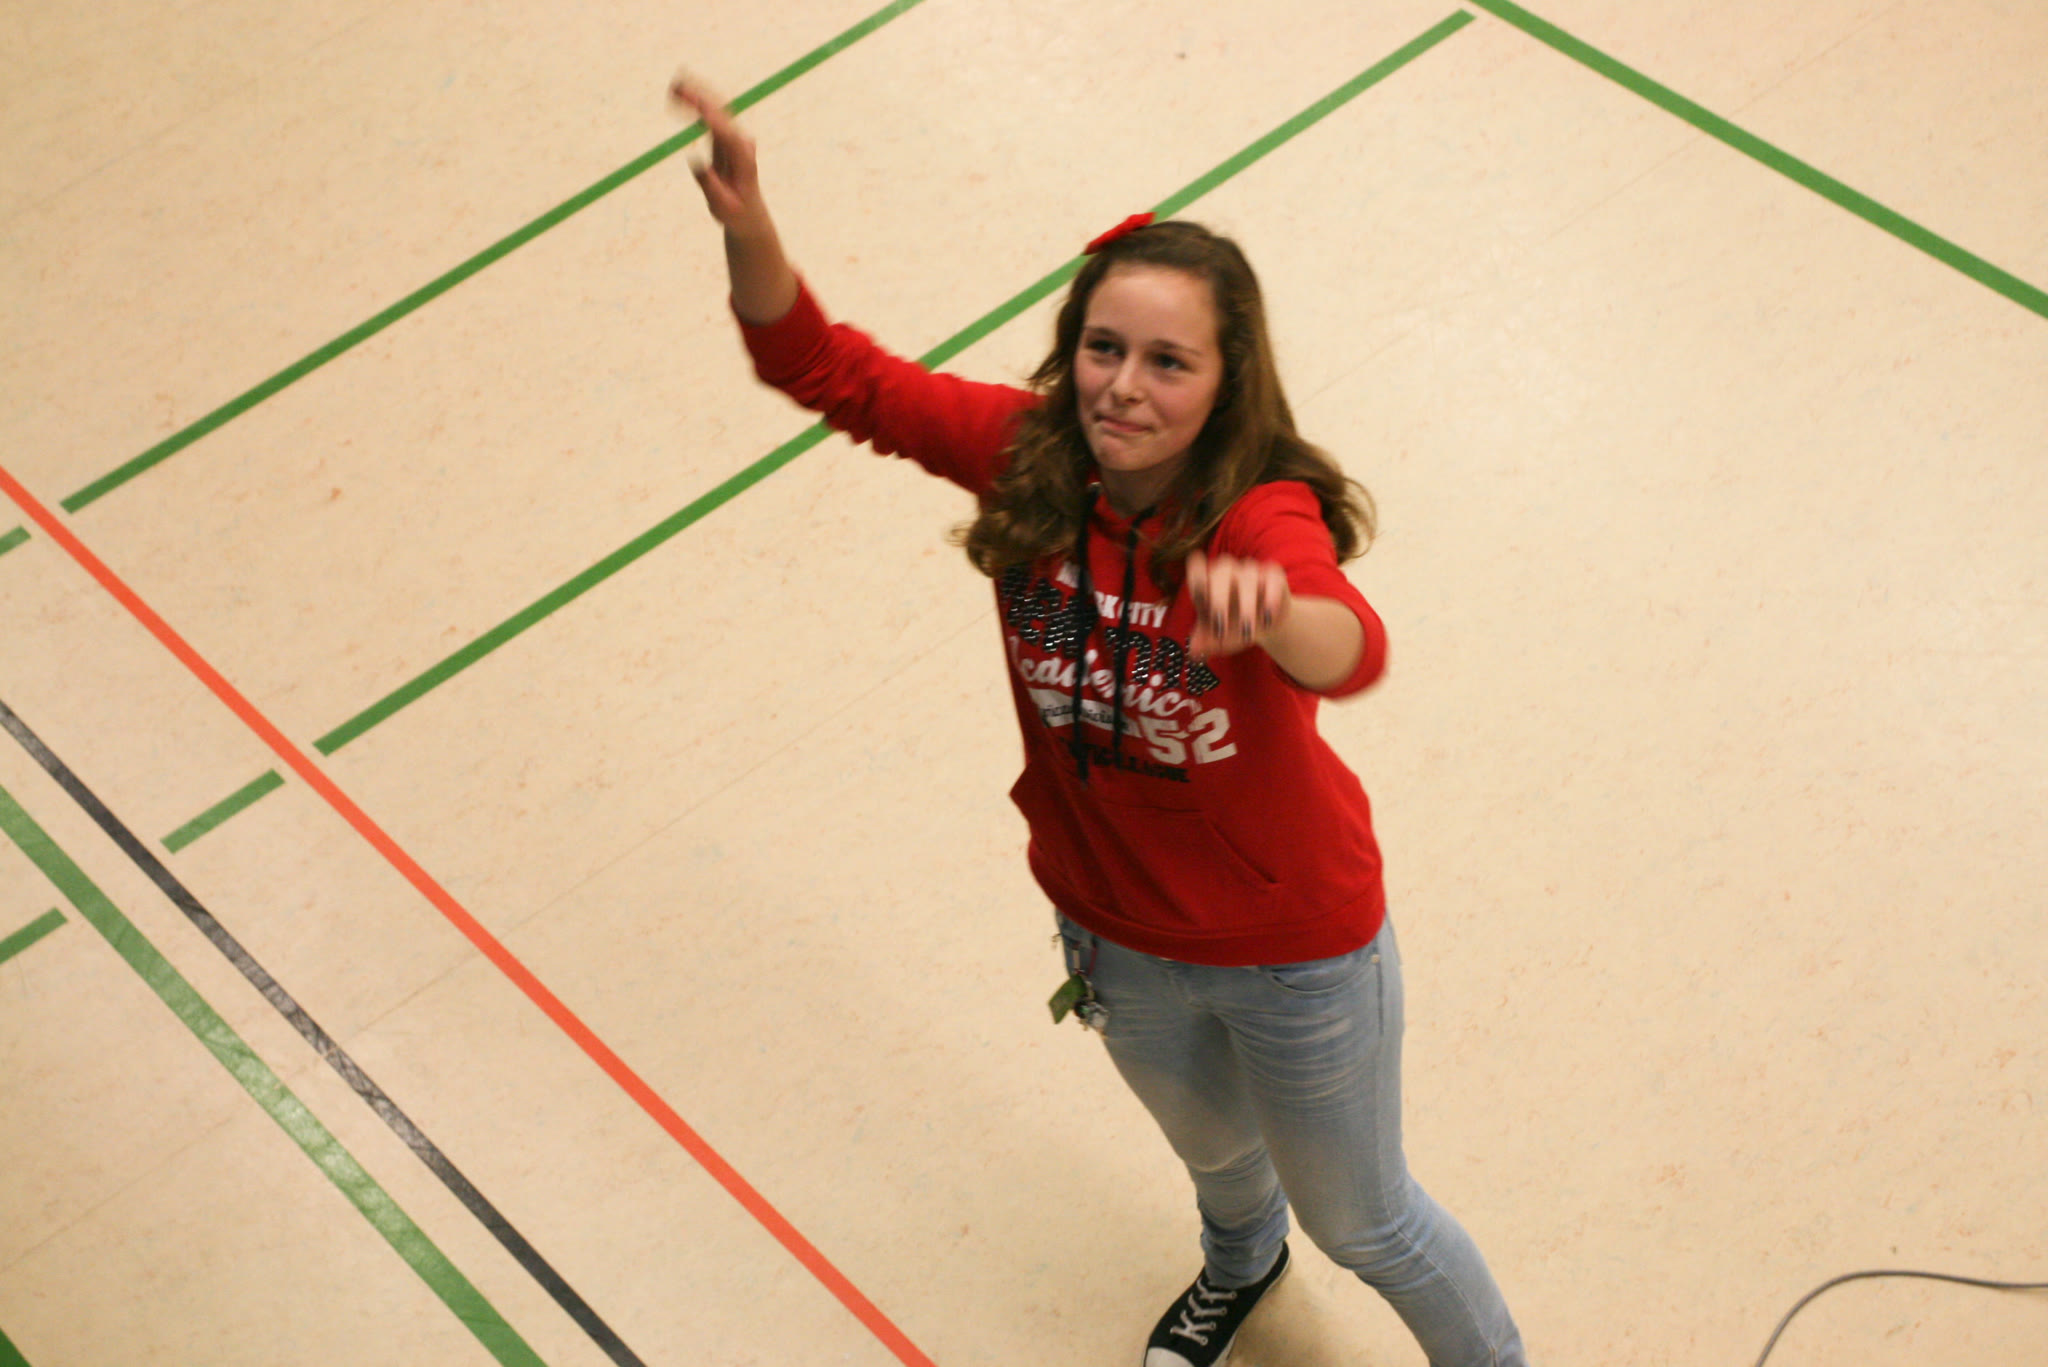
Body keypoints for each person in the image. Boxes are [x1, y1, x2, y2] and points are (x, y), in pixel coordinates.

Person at [670, 75, 1530, 1367]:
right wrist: (749, 228)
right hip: (1114, 932)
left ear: (1227, 386)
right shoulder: (1028, 457)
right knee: (1216, 1158)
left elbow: (1352, 646)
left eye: (1168, 363)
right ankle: (1241, 1266)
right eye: (1102, 348)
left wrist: (1273, 613)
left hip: (1291, 947)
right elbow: (824, 369)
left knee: (1368, 1221)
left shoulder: (1256, 511)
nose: (1123, 388)